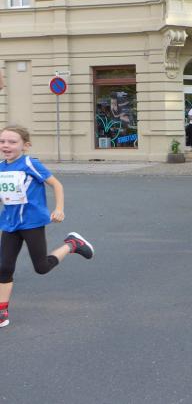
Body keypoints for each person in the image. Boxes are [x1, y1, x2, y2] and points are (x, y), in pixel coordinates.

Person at [0, 125, 94, 329]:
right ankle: (2, 311)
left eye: (12, 142)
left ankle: (72, 244)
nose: (6, 145)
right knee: (4, 268)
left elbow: (56, 184)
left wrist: (59, 209)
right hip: (9, 223)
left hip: (32, 222)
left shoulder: (30, 163)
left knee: (41, 267)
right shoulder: (1, 167)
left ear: (25, 145)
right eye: (2, 141)